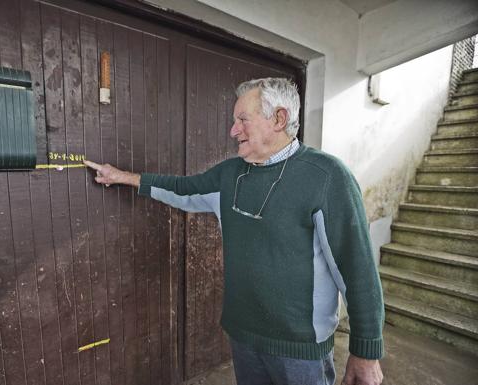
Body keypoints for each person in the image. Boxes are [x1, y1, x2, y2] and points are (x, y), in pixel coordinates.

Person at [84, 78, 384, 385]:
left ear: (278, 119)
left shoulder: (327, 177)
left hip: (299, 349)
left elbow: (356, 269)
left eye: (242, 120)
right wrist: (123, 177)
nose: (233, 130)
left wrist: (366, 349)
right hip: (243, 337)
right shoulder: (229, 174)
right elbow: (181, 189)